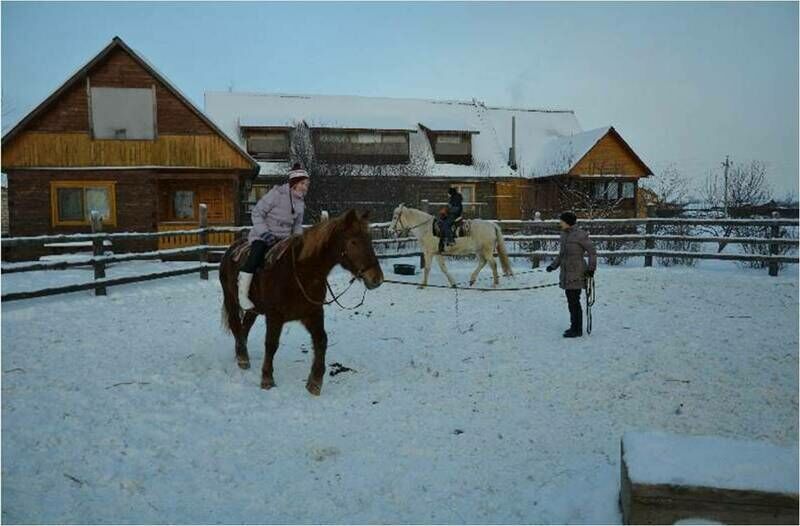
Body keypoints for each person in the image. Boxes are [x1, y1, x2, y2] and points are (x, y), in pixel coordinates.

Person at [238, 162, 310, 310]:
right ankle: (242, 294)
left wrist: (297, 239)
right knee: (256, 255)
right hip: (264, 235)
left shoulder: (300, 203)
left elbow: (297, 224)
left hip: (284, 239)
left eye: (307, 184)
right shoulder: (276, 194)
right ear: (295, 183)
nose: (305, 187)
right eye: (303, 183)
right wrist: (264, 233)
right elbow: (257, 212)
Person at [546, 211, 597, 337]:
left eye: (561, 221)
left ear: (567, 222)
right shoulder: (564, 235)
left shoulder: (580, 235)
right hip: (566, 273)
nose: (560, 223)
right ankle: (574, 326)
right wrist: (553, 266)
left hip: (577, 273)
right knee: (571, 301)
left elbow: (592, 252)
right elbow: (561, 254)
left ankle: (577, 329)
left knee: (574, 301)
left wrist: (591, 269)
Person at [437, 187, 464, 253]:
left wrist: (447, 210)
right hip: (451, 214)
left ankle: (451, 240)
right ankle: (442, 244)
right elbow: (450, 206)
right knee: (440, 222)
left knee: (446, 224)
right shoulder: (453, 198)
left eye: (449, 193)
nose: (448, 195)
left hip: (455, 215)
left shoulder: (456, 198)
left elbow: (455, 209)